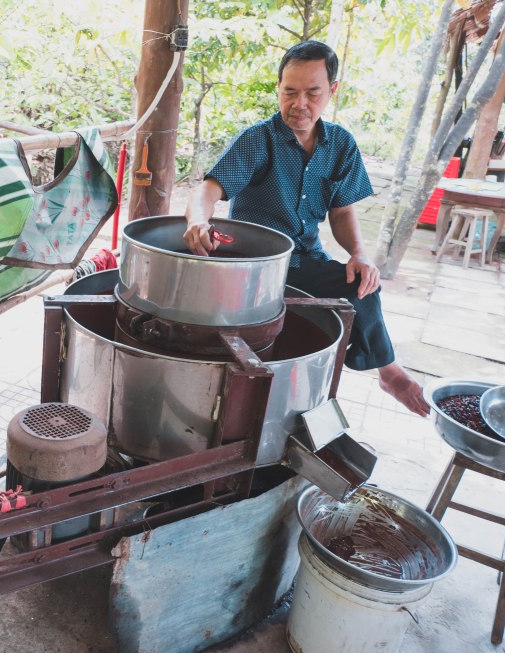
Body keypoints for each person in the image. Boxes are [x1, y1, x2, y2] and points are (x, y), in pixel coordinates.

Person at [183, 40, 430, 417]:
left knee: (362, 285)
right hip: (251, 267)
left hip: (304, 261)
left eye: (312, 93)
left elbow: (342, 212)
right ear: (278, 90)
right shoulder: (258, 140)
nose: (300, 104)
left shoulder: (341, 145)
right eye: (290, 92)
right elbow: (209, 189)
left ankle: (389, 372)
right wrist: (199, 221)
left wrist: (360, 255)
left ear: (332, 90)